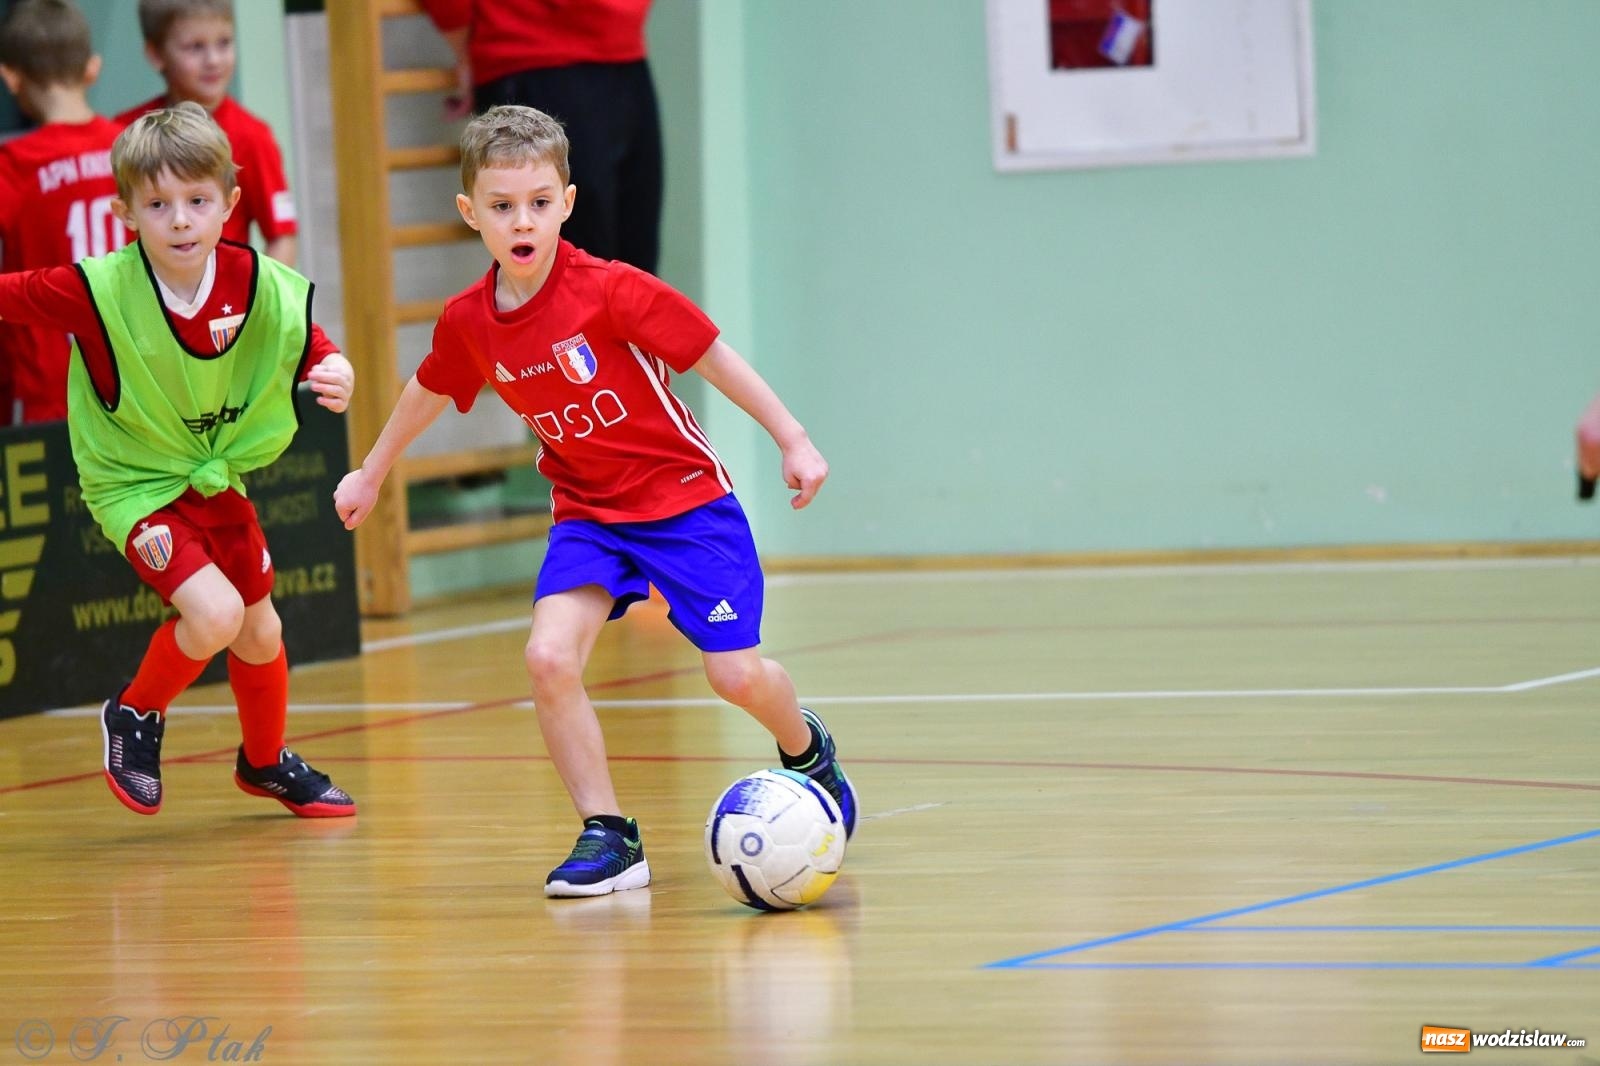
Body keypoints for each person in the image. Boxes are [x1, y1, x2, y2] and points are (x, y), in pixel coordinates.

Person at [333, 105, 855, 896]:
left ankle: (807, 751)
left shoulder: (611, 290)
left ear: (566, 204)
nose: (522, 221)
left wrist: (794, 437)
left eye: (539, 203)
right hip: (588, 514)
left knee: (736, 677)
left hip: (684, 506)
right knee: (547, 658)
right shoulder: (470, 321)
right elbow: (429, 388)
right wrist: (371, 472)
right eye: (502, 206)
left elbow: (713, 356)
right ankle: (610, 834)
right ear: (471, 212)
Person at [0, 102, 357, 818]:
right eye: (158, 205)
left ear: (230, 201)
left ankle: (263, 762)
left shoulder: (252, 278)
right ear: (126, 214)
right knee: (218, 615)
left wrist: (335, 367)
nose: (181, 221)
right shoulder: (96, 289)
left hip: (211, 475)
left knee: (261, 630)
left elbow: (306, 337)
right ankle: (134, 711)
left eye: (197, 201)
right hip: (134, 485)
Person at [420, 0, 662, 273]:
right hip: (532, 55)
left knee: (633, 274)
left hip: (625, 56)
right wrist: (465, 46)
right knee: (575, 273)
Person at [0, 0, 127, 423]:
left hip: (49, 391)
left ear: (10, 77)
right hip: (135, 383)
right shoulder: (132, 149)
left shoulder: (15, 165)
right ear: (92, 69)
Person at [116, 0, 298, 266]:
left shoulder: (252, 135)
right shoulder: (124, 133)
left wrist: (255, 293)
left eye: (224, 43)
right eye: (195, 47)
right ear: (156, 54)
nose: (213, 60)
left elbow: (282, 236)